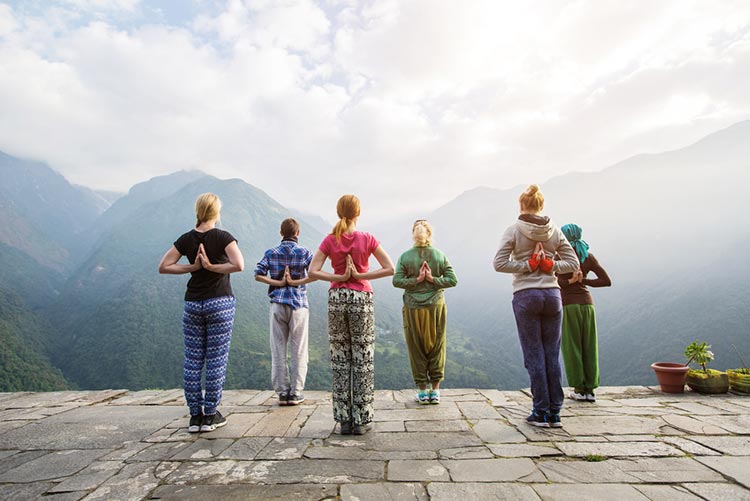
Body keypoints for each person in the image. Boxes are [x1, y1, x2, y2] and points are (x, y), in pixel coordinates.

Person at [493, 184, 579, 428]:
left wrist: (528, 266)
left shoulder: (514, 230)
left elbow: (499, 263)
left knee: (534, 354)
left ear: (522, 206)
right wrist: (551, 266)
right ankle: (555, 412)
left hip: (526, 295)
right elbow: (572, 263)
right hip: (553, 295)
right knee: (552, 353)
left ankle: (540, 411)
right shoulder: (556, 232)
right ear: (541, 206)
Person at [158, 193, 244, 433]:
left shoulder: (186, 239)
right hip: (220, 303)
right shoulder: (224, 237)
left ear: (198, 211)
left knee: (193, 360)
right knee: (216, 360)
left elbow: (164, 266)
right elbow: (239, 265)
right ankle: (210, 415)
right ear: (216, 212)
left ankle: (195, 416)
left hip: (193, 304)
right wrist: (212, 267)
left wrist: (193, 268)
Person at [309, 194, 394, 435]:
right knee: (362, 359)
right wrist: (360, 275)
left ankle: (344, 420)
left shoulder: (329, 240)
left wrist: (338, 277)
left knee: (340, 358)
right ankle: (361, 420)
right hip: (361, 300)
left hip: (336, 299)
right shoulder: (366, 239)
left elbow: (313, 270)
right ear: (359, 213)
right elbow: (390, 268)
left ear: (338, 213)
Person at [393, 220, 457, 405]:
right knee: (437, 344)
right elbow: (453, 280)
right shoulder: (439, 256)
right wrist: (433, 279)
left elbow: (397, 281)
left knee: (416, 347)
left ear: (414, 234)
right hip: (435, 306)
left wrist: (416, 280)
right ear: (430, 234)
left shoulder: (405, 257)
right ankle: (435, 391)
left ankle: (422, 391)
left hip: (413, 307)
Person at [254, 218, 316, 406]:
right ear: (297, 233)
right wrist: (297, 282)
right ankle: (296, 392)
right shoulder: (305, 252)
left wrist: (278, 283)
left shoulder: (271, 253)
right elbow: (315, 274)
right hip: (298, 305)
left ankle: (282, 393)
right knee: (299, 350)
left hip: (277, 305)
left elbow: (257, 274)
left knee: (278, 349)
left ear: (281, 233)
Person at [558, 223, 611, 403]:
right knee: (589, 345)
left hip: (568, 305)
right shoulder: (588, 256)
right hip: (588, 305)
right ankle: (590, 390)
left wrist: (571, 282)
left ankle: (579, 389)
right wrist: (584, 281)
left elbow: (555, 282)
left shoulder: (562, 257)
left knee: (572, 346)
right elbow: (606, 280)